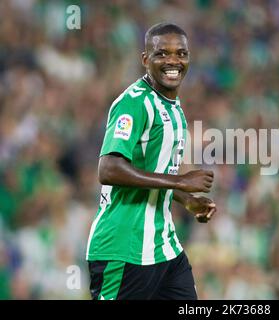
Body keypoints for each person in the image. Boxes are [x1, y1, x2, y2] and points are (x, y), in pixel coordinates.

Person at [86, 22, 216, 300]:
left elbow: (153, 172)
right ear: (145, 60)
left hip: (164, 247)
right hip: (124, 247)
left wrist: (185, 198)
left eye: (181, 54)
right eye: (162, 54)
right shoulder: (134, 102)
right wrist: (180, 180)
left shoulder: (174, 108)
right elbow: (108, 168)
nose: (173, 61)